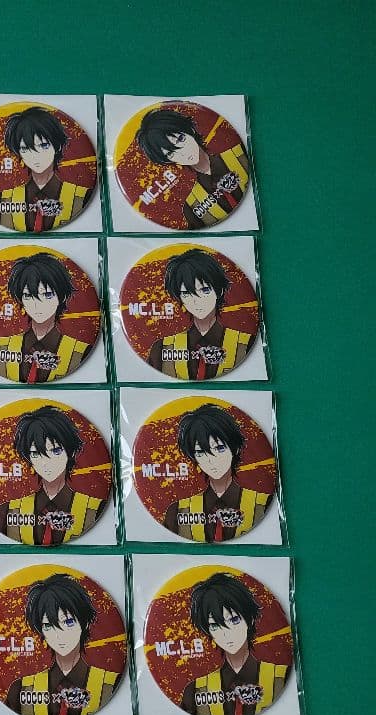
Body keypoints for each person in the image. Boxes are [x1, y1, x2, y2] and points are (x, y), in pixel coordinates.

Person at [5, 573, 121, 715]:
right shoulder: (20, 690)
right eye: (48, 625)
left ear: (85, 623)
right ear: (41, 630)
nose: (59, 635)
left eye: (69, 622)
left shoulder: (111, 684)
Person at [180, 573, 289, 715]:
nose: (227, 633)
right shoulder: (195, 691)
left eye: (234, 620)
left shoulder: (281, 677)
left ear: (250, 619)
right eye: (215, 625)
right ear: (208, 631)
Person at [0, 406, 103, 544]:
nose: (46, 462)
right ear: (28, 458)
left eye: (56, 451)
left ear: (71, 452)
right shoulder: (8, 512)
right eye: (35, 454)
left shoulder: (95, 509)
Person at [164, 404, 270, 541]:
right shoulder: (177, 511)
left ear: (235, 448)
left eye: (219, 448)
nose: (211, 460)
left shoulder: (262, 504)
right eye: (201, 452)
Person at [0, 253, 90, 382]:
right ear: (20, 299)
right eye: (28, 296)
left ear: (62, 297)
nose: (37, 304)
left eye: (47, 295)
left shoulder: (81, 352)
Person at [147, 249, 253, 379]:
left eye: (205, 290)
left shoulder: (245, 343)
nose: (196, 300)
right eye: (186, 293)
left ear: (219, 291)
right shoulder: (161, 349)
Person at [136, 107, 250, 229]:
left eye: (181, 139)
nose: (183, 153)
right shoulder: (191, 207)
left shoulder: (240, 154)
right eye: (170, 153)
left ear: (190, 130)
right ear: (167, 160)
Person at [0, 106, 91, 232]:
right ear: (18, 152)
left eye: (44, 145)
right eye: (25, 148)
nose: (36, 155)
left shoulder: (82, 197)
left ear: (57, 146)